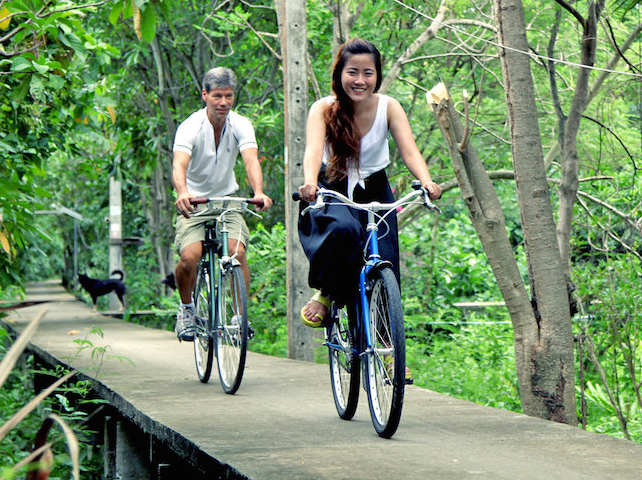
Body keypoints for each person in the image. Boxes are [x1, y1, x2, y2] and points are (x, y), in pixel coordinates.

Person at [296, 38, 442, 328]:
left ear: (377, 76)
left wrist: (427, 182)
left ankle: (389, 355)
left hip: (376, 187)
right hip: (331, 185)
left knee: (384, 262)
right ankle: (327, 291)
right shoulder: (323, 108)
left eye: (368, 73)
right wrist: (310, 183)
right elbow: (313, 150)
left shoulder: (389, 107)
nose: (360, 80)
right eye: (353, 72)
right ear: (340, 74)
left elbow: (409, 150)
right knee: (344, 230)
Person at [172, 67, 272, 340]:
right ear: (205, 95)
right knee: (190, 257)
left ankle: (240, 318)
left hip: (227, 201)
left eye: (229, 96)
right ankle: (187, 309)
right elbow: (179, 165)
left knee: (237, 253)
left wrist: (259, 191)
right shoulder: (190, 126)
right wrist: (182, 192)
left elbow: (250, 160)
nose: (224, 102)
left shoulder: (240, 124)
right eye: (217, 96)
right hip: (194, 202)